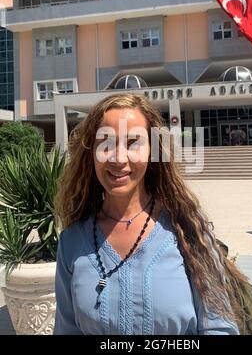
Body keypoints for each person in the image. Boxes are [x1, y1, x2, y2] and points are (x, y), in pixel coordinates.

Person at [53, 93, 239, 335]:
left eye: (133, 143)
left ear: (153, 151)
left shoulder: (189, 232)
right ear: (91, 153)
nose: (118, 158)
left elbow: (220, 328)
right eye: (106, 142)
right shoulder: (72, 242)